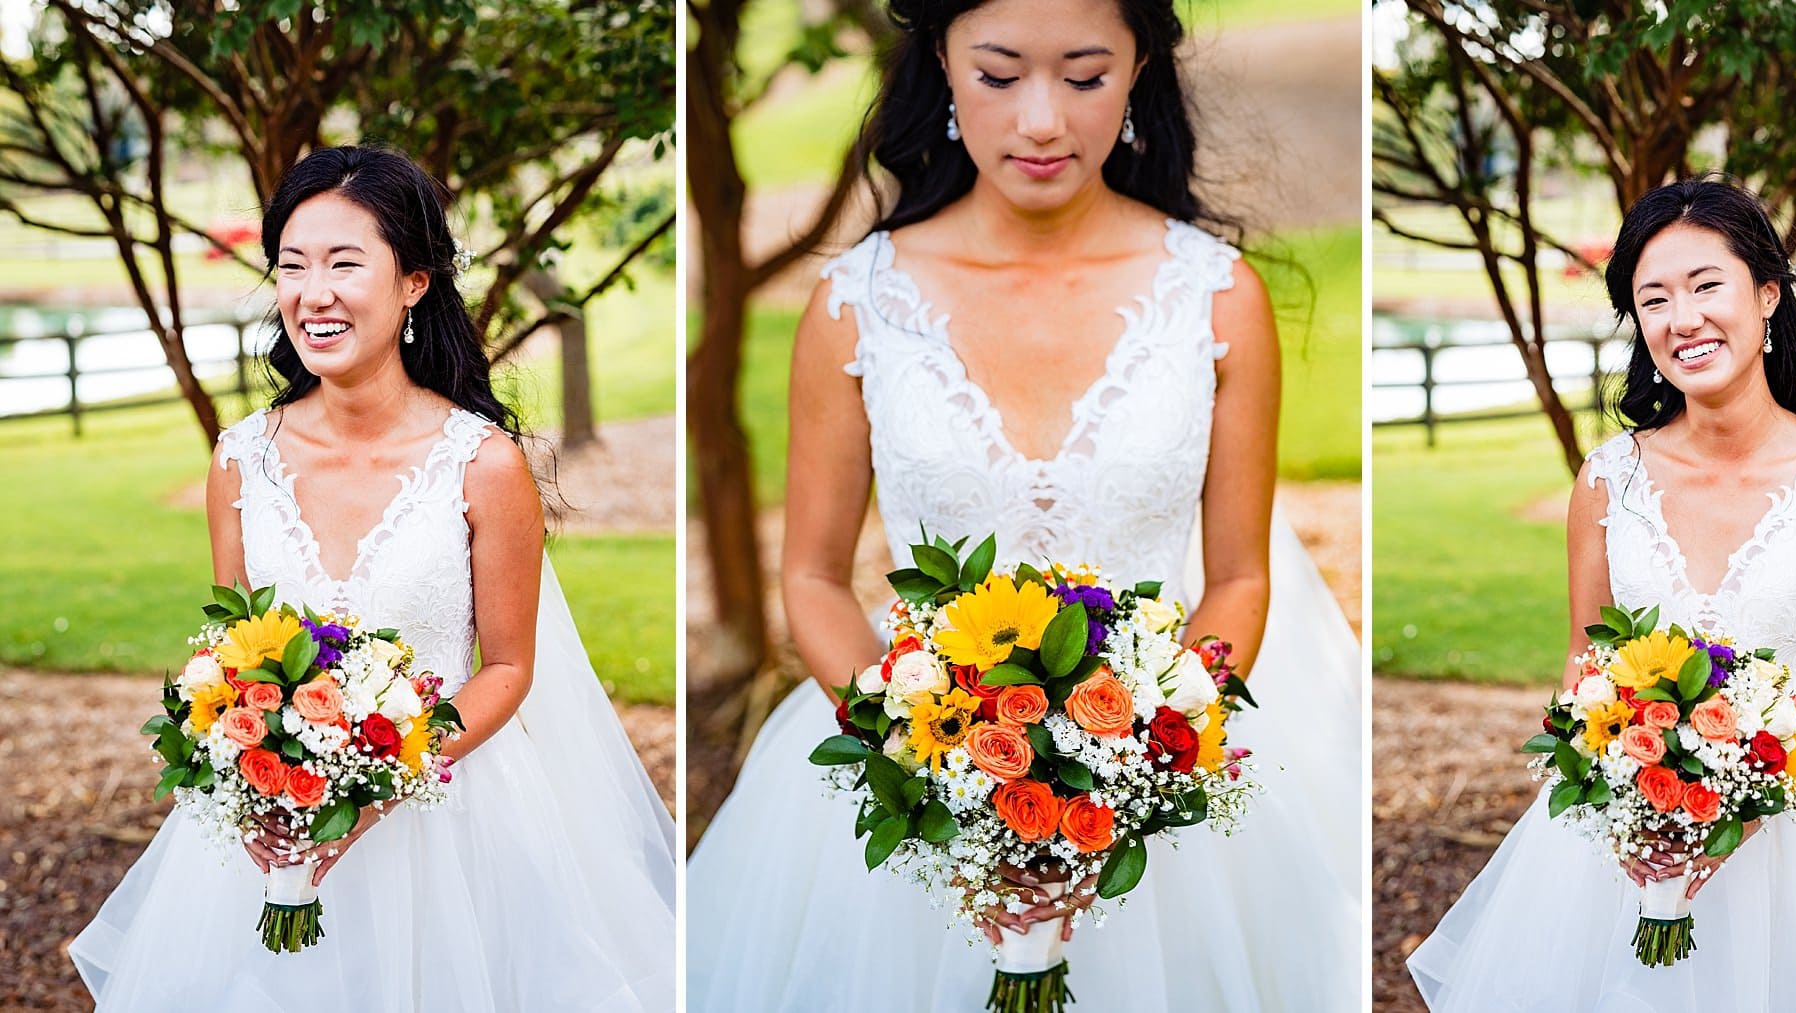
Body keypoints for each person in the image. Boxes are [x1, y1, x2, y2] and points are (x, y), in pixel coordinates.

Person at [685, 0, 1361, 1009]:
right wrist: (930, 754)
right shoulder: (852, 303)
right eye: (999, 75)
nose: (1040, 120)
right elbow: (813, 576)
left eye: (1083, 76)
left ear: (1137, 75)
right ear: (943, 73)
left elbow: (1238, 574)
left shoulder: (1218, 298)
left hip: (1152, 778)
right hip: (911, 766)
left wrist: (1140, 758)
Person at [1406, 178, 1796, 1011]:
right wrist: (1619, 792)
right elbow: (1586, 656)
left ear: (1767, 293)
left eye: (1708, 285)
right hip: (1636, 833)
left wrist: (1743, 802)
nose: (1685, 318)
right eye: (1655, 299)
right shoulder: (1606, 480)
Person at [68, 146, 676, 1010]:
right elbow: (233, 652)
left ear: (414, 284)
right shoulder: (240, 459)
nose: (314, 292)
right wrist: (247, 773)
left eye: (345, 263)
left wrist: (378, 778)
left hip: (450, 827)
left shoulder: (482, 463)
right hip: (273, 831)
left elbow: (507, 667)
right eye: (293, 265)